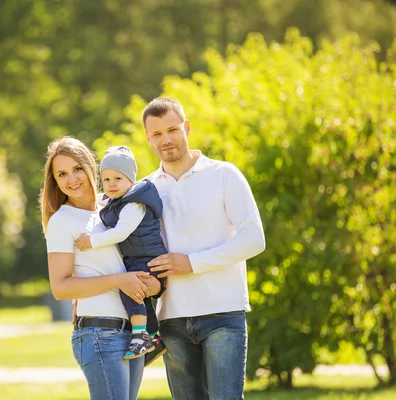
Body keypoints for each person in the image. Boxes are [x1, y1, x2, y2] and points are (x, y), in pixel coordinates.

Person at [141, 97, 266, 400]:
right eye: (156, 134)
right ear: (147, 138)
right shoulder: (144, 189)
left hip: (223, 314)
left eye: (172, 129)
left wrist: (192, 263)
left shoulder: (224, 174)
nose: (166, 139)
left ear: (186, 127)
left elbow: (253, 239)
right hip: (171, 318)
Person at [39, 136, 159, 400]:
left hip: (134, 332)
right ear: (55, 181)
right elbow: (60, 287)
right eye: (62, 174)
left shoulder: (116, 207)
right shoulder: (62, 220)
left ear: (91, 167)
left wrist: (152, 283)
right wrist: (118, 280)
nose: (72, 179)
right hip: (99, 334)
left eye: (77, 168)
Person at [74, 145, 168, 361]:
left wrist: (91, 242)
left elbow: (120, 233)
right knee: (139, 296)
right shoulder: (117, 202)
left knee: (130, 288)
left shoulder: (134, 203)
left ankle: (140, 336)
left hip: (147, 257)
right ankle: (154, 337)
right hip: (138, 256)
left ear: (130, 181)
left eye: (117, 178)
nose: (111, 184)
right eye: (106, 180)